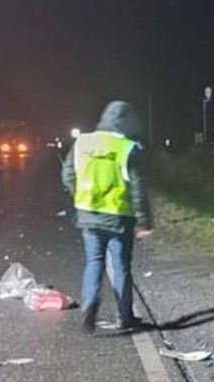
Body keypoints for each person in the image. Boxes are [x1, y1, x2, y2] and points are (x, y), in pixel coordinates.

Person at [62, 100, 153, 335]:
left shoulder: (82, 142)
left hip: (89, 216)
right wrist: (144, 221)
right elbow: (137, 188)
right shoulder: (126, 147)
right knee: (121, 267)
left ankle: (89, 306)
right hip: (118, 218)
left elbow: (68, 174)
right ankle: (126, 317)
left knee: (94, 262)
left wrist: (79, 195)